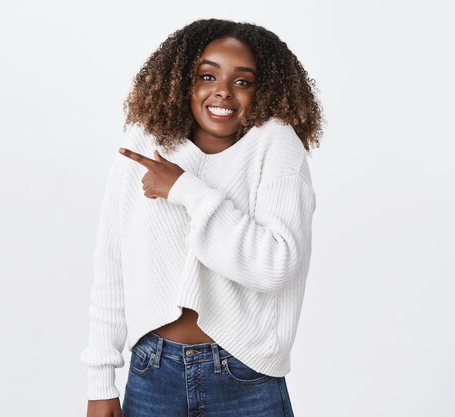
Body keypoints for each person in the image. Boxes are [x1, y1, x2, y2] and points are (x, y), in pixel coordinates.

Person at [80, 18, 323, 417]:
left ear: (265, 90)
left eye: (242, 81)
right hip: (152, 373)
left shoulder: (277, 147)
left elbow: (275, 265)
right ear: (181, 80)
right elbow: (112, 266)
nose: (223, 90)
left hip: (247, 378)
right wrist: (100, 382)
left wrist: (185, 189)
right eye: (207, 75)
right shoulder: (145, 143)